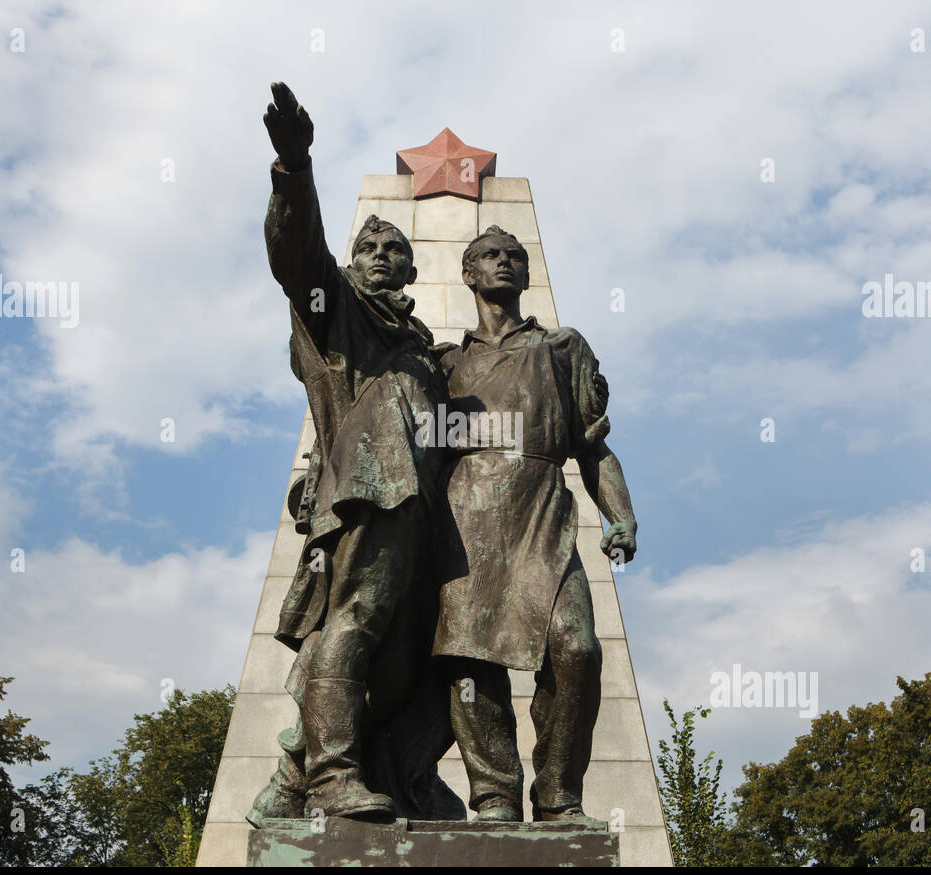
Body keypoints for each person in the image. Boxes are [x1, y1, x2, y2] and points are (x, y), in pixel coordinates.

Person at [247, 82, 457, 824]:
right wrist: (294, 167)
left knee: (404, 667)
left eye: (389, 251)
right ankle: (332, 778)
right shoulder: (335, 313)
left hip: (422, 507)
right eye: (365, 247)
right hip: (375, 483)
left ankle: (296, 774)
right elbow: (296, 255)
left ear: (409, 272)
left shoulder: (421, 349)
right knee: (357, 622)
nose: (375, 257)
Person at [434, 225, 639, 822]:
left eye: (515, 258)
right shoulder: (443, 362)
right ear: (469, 275)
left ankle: (557, 796)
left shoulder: (562, 348)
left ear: (527, 275)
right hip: (463, 523)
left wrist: (620, 516)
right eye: (490, 257)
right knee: (473, 664)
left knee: (576, 650)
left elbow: (593, 448)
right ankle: (495, 797)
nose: (504, 263)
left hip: (542, 515)